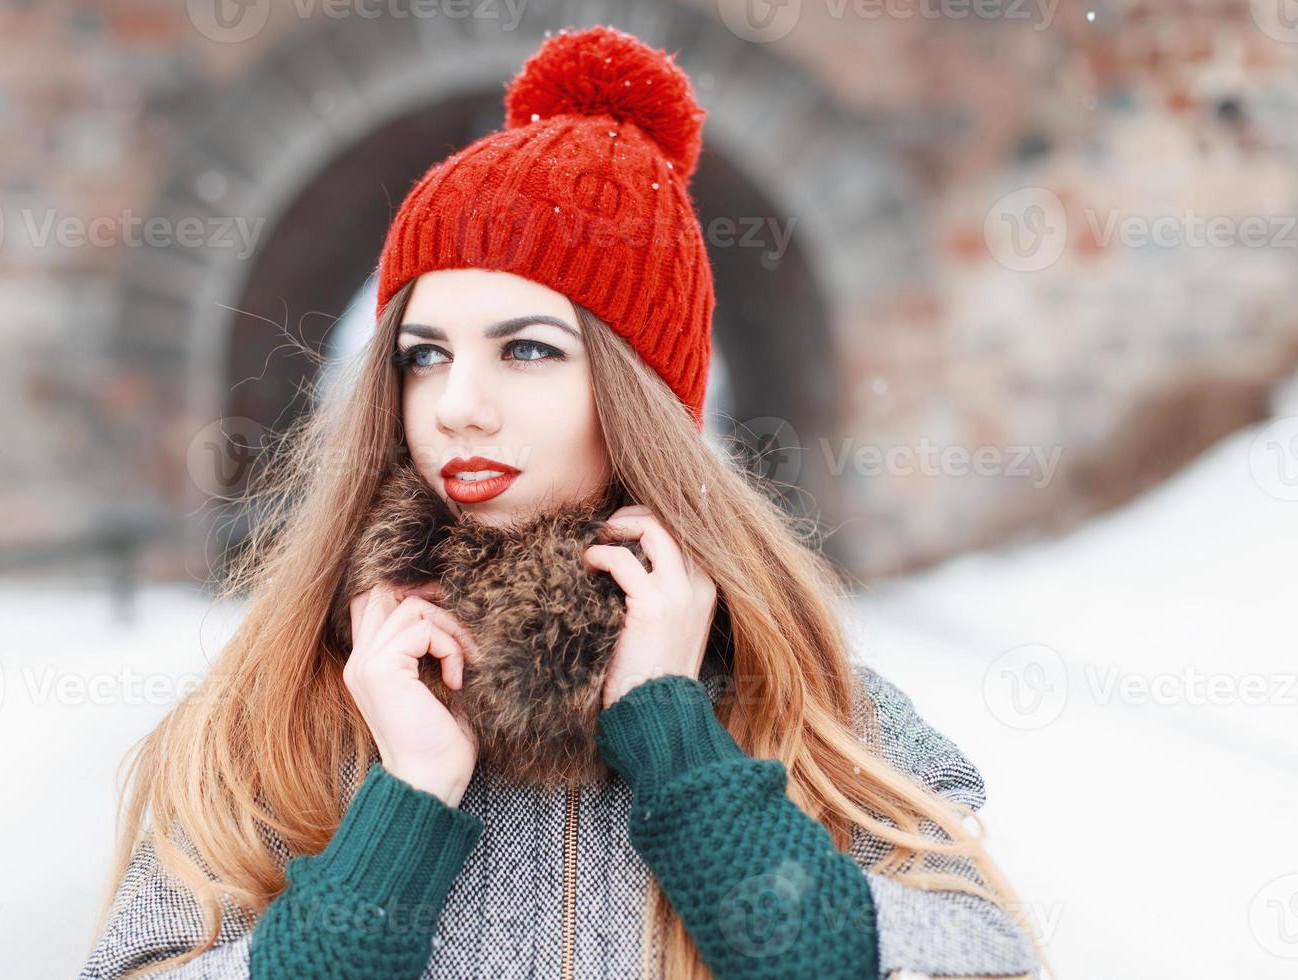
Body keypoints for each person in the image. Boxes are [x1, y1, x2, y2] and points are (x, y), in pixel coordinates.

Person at [79, 24, 1046, 980]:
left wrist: (682, 751)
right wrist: (406, 807)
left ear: (637, 395)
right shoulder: (288, 707)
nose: (458, 407)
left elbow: (983, 960)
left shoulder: (803, 705)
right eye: (427, 355)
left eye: (528, 349)